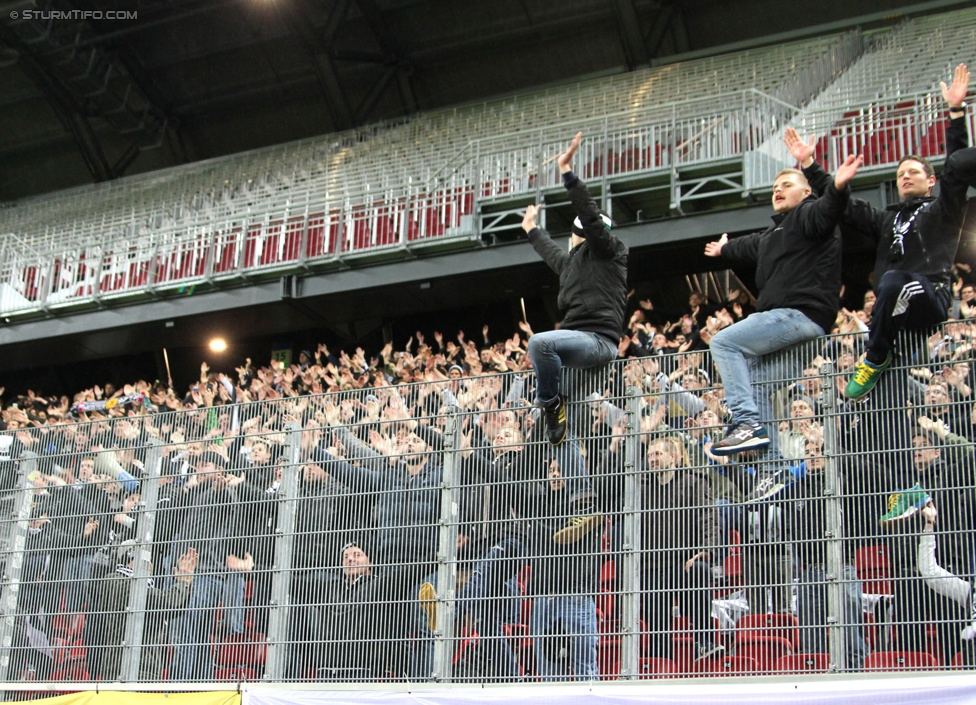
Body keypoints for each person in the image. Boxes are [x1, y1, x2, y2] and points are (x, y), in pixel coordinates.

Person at [787, 63, 975, 398]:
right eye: (901, 172)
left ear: (930, 181)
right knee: (888, 283)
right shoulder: (888, 220)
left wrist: (956, 113)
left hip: (930, 294)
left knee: (891, 281)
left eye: (913, 172)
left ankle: (875, 355)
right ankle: (887, 348)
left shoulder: (943, 209)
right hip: (897, 298)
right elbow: (844, 205)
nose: (904, 176)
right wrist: (810, 166)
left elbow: (958, 168)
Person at [703, 141, 863, 466]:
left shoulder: (809, 215)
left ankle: (746, 423)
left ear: (805, 193)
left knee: (723, 342)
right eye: (775, 187)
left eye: (787, 185)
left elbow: (829, 207)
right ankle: (776, 469)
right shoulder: (772, 235)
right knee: (758, 384)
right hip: (806, 332)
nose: (778, 190)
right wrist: (724, 250)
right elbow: (749, 246)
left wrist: (837, 186)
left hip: (796, 316)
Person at [521, 131, 628, 541]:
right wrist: (531, 228)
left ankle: (552, 403)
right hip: (580, 351)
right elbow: (548, 250)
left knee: (540, 343)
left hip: (598, 344)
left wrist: (568, 173)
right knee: (557, 428)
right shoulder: (569, 263)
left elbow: (591, 218)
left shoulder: (609, 251)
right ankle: (584, 500)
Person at [97, 542, 199, 681]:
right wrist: (184, 582)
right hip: (133, 669)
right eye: (146, 559)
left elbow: (173, 609)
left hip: (134, 668)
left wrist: (185, 582)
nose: (150, 565)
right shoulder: (119, 583)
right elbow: (167, 602)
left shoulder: (126, 585)